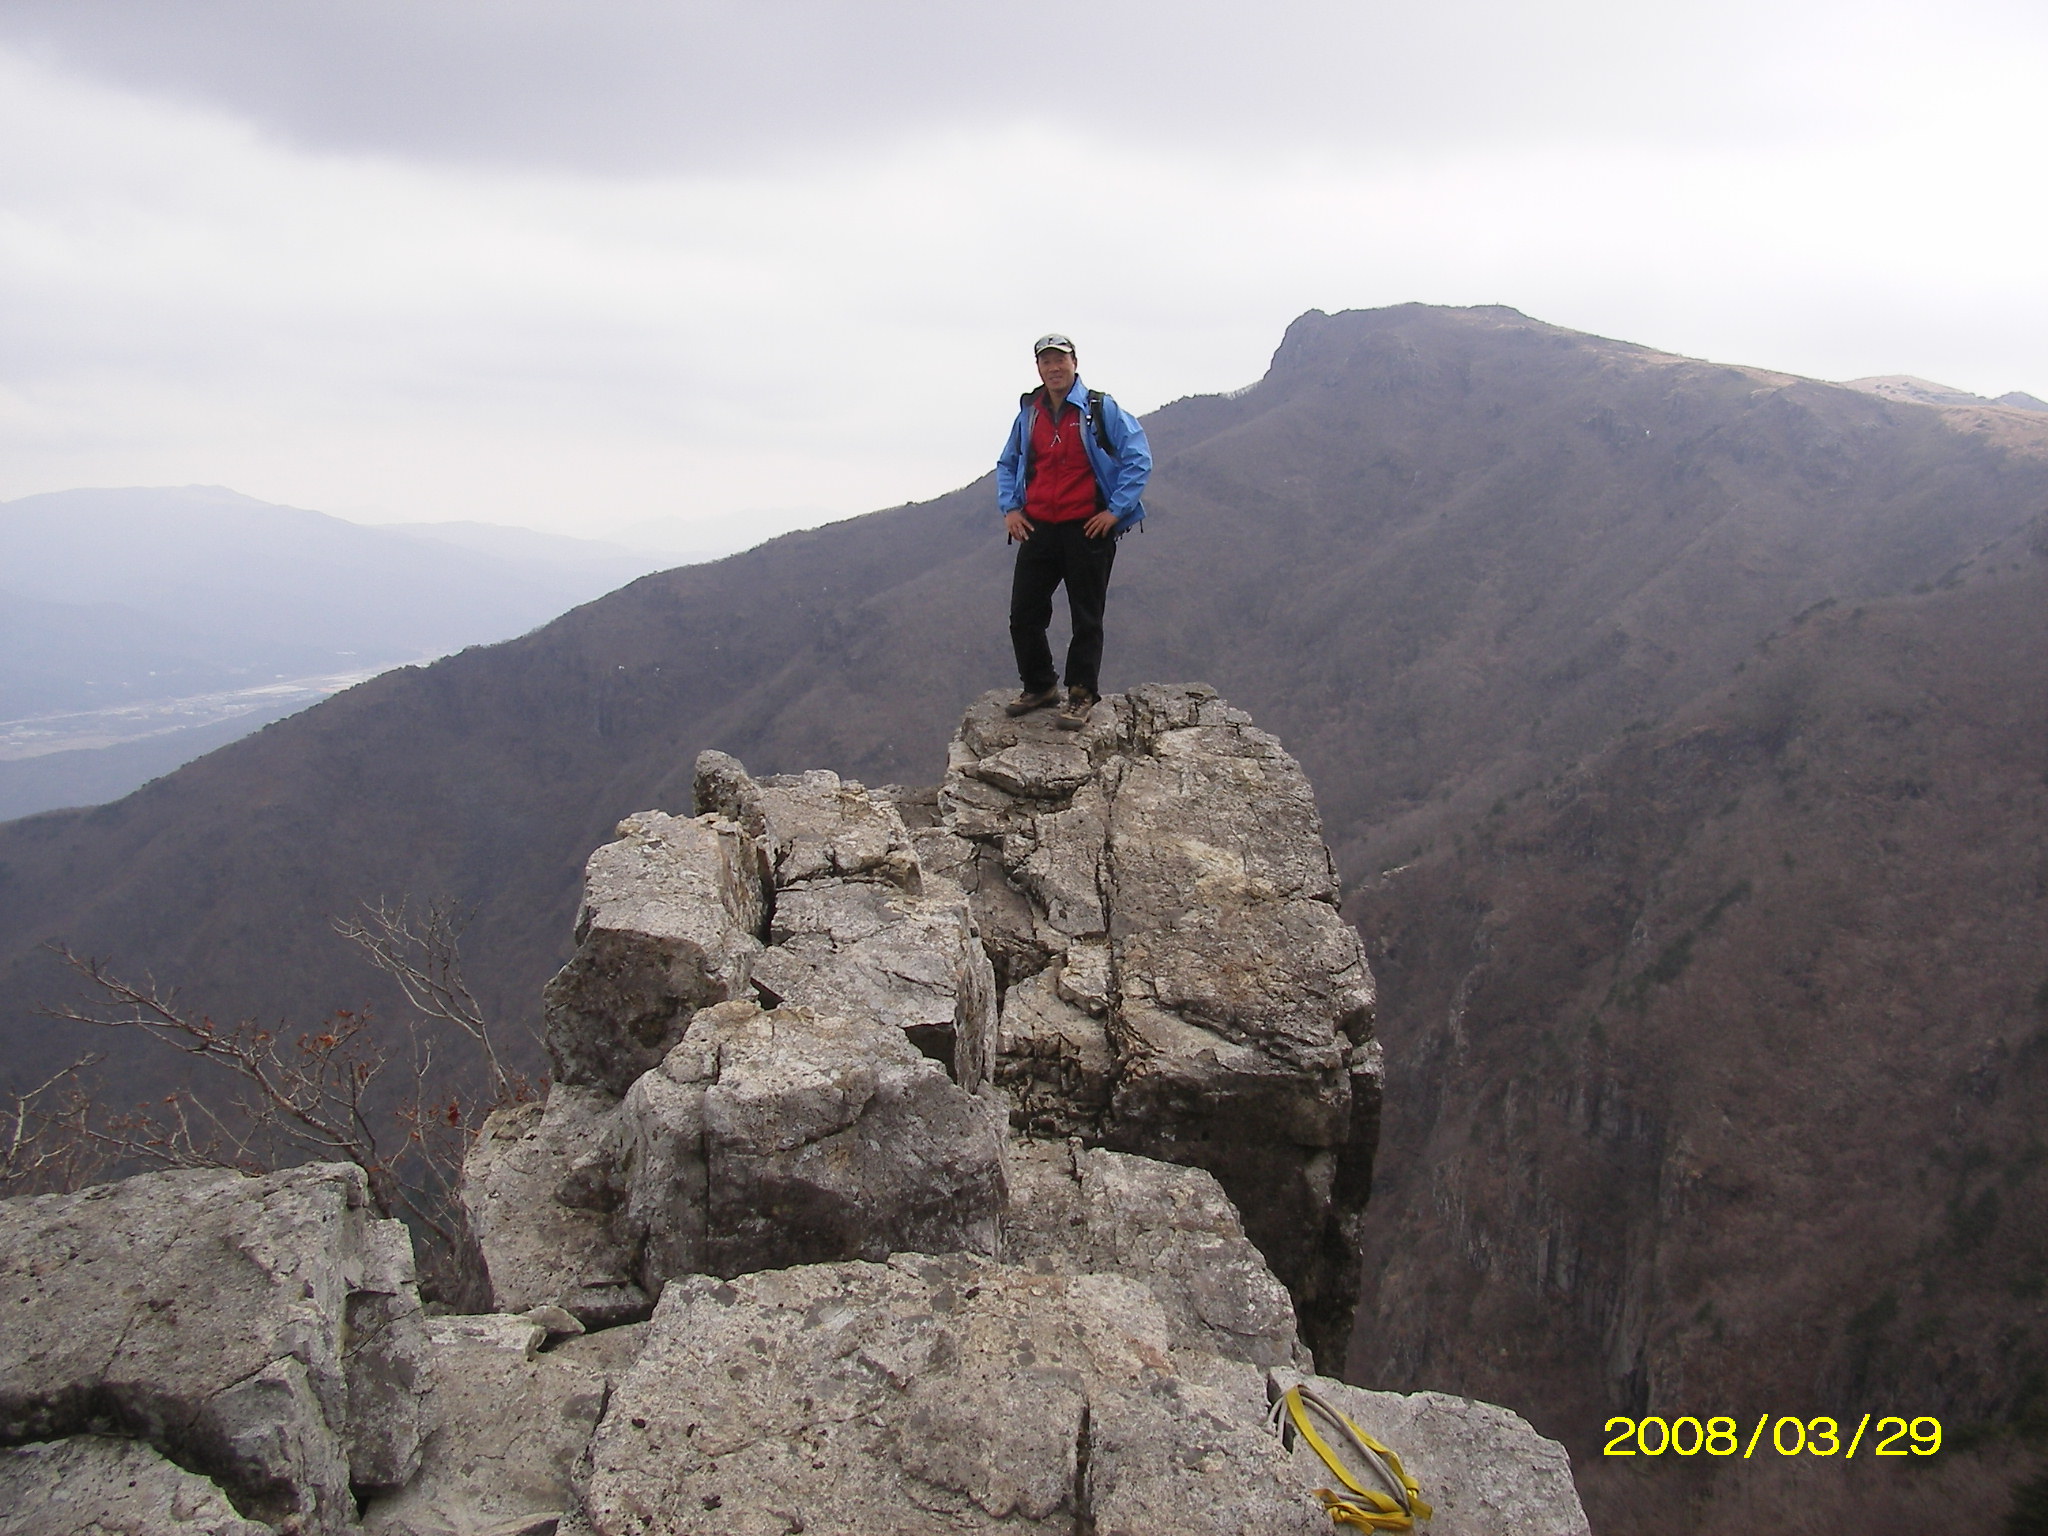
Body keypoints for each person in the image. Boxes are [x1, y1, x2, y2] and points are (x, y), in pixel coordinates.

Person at [994, 333, 1152, 729]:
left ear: (1074, 363)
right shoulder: (1029, 413)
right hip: (1039, 526)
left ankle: (1081, 693)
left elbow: (1138, 458)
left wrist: (1114, 512)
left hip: (1088, 527)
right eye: (1046, 362)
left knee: (1087, 616)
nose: (1054, 368)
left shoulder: (1099, 408)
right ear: (1038, 368)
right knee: (1024, 614)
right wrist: (1011, 508)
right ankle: (1040, 685)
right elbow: (1008, 462)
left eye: (1060, 360)